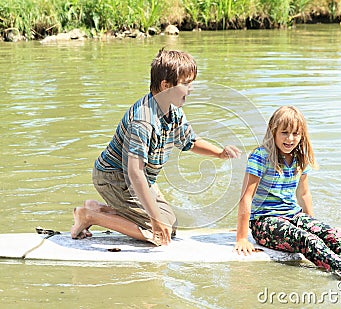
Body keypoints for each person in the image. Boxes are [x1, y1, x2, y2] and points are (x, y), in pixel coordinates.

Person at [71, 48, 241, 246]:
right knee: (158, 232)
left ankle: (98, 209)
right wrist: (154, 220)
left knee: (171, 225)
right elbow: (134, 173)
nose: (191, 88)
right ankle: (89, 216)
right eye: (186, 83)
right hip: (115, 178)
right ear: (165, 86)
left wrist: (220, 153)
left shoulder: (173, 111)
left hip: (139, 180)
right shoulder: (144, 121)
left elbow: (189, 141)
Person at [234, 105, 341, 287]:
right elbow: (246, 197)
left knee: (338, 236)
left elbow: (304, 193)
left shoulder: (299, 157)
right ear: (273, 132)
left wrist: (312, 225)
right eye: (284, 133)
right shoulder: (261, 156)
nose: (290, 139)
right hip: (265, 222)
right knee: (306, 240)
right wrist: (242, 237)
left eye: (295, 134)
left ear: (302, 135)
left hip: (293, 215)